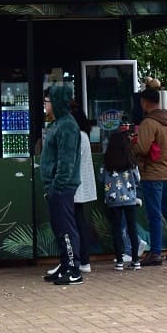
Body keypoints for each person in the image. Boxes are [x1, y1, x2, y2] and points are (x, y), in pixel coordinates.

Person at [132, 84, 167, 265]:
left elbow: (143, 148)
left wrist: (133, 146)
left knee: (154, 214)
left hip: (153, 174)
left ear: (145, 103)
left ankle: (155, 253)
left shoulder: (148, 123)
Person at [40, 85, 83, 285]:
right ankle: (65, 264)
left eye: (47, 101)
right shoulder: (58, 124)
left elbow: (67, 161)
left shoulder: (67, 126)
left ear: (56, 102)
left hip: (62, 187)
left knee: (66, 227)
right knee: (59, 227)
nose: (45, 105)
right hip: (55, 186)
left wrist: (57, 186)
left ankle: (74, 268)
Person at [100, 130, 142, 270]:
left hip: (113, 200)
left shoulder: (107, 161)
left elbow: (101, 179)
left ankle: (119, 261)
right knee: (132, 229)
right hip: (130, 198)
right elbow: (137, 179)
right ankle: (135, 261)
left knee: (116, 229)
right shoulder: (131, 160)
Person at [71, 104, 97, 273]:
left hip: (75, 185)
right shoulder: (85, 135)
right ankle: (84, 260)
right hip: (82, 185)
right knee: (80, 221)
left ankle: (80, 259)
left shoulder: (76, 136)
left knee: (75, 223)